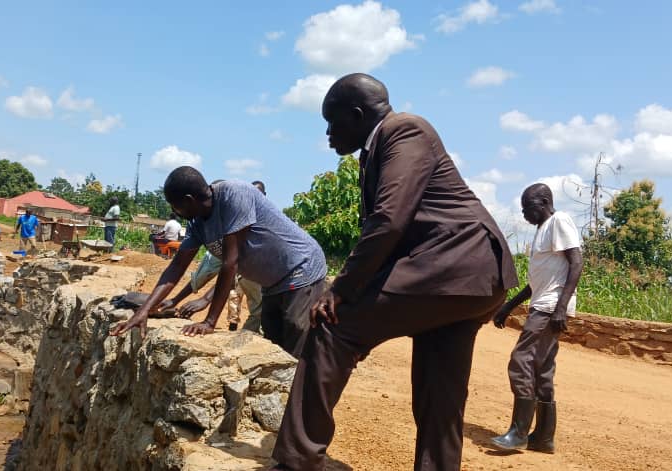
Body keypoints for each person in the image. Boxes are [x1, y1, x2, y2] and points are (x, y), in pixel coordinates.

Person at [270, 74, 518, 471]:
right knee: (440, 393)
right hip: (470, 279)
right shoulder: (380, 147)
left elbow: (388, 220)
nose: (329, 134)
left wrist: (341, 288)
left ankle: (296, 461)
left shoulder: (404, 130)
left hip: (453, 263)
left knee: (332, 325)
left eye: (331, 123)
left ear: (356, 115)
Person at [111, 167, 327, 359]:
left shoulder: (234, 194)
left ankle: (305, 401)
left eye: (175, 206)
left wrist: (209, 321)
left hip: (301, 269)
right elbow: (177, 266)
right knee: (275, 344)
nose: (175, 212)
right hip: (272, 283)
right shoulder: (197, 223)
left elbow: (230, 262)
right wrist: (144, 311)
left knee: (296, 346)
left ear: (188, 200)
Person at [489, 183, 583, 454]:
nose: (524, 214)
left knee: (521, 361)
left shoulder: (559, 221)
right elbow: (536, 283)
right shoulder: (543, 230)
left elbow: (576, 263)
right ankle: (542, 437)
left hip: (550, 308)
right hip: (544, 304)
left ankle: (518, 433)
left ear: (543, 202)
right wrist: (508, 307)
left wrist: (561, 308)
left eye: (527, 208)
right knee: (541, 368)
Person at [160, 249, 263, 332]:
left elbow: (230, 273)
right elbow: (203, 273)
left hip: (261, 267)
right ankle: (241, 337)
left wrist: (206, 301)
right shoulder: (206, 233)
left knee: (261, 310)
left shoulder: (234, 233)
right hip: (248, 271)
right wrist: (174, 300)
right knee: (255, 308)